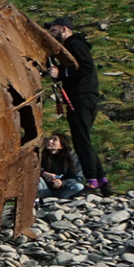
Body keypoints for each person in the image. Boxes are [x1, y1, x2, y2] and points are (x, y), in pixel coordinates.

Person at [46, 16, 108, 194]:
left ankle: (92, 182)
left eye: (54, 30)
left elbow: (85, 67)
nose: (51, 34)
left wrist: (62, 73)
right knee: (84, 139)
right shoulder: (74, 45)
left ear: (64, 29)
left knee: (81, 141)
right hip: (85, 96)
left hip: (81, 96)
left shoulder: (74, 43)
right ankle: (102, 180)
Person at [36, 132, 84, 198]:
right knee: (38, 179)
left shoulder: (72, 159)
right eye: (50, 139)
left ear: (61, 146)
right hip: (45, 188)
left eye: (54, 140)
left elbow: (78, 178)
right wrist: (44, 173)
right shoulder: (42, 155)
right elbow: (33, 168)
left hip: (63, 189)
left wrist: (62, 183)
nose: (50, 141)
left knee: (78, 186)